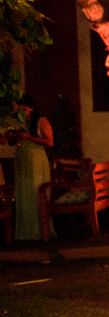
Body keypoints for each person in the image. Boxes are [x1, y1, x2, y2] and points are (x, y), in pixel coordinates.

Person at [9, 96, 53, 241]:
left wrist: (28, 137)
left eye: (24, 109)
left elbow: (49, 142)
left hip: (36, 160)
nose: (21, 112)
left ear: (31, 108)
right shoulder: (19, 123)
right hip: (23, 160)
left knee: (35, 192)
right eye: (19, 109)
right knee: (24, 192)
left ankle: (40, 230)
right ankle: (25, 232)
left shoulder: (41, 121)